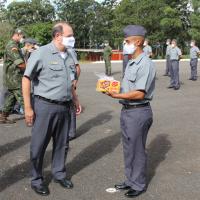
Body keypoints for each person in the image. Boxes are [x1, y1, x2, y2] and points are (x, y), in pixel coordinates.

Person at [22, 22, 81, 196]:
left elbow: (70, 81)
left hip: (64, 106)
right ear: (58, 36)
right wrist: (27, 107)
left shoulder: (70, 55)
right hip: (45, 106)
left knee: (62, 144)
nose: (72, 39)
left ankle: (59, 173)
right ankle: (37, 179)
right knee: (39, 145)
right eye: (70, 35)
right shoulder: (41, 53)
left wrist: (76, 99)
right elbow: (26, 79)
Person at [105, 25, 156, 198]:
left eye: (127, 41)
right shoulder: (131, 62)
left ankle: (139, 184)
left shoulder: (145, 63)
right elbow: (128, 86)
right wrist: (111, 85)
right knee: (128, 148)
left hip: (138, 111)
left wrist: (116, 95)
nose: (124, 44)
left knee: (137, 150)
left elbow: (139, 92)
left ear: (138, 42)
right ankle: (130, 180)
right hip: (128, 111)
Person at [0, 29, 26, 124]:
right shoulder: (12, 46)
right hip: (14, 78)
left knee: (11, 98)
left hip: (12, 78)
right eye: (23, 36)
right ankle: (34, 118)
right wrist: (31, 70)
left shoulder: (16, 45)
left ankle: (3, 117)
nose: (23, 39)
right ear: (17, 35)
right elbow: (20, 64)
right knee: (24, 98)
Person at [67, 48, 81, 140]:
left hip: (70, 82)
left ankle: (71, 133)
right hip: (62, 82)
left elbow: (78, 68)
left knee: (71, 108)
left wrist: (75, 83)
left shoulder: (70, 51)